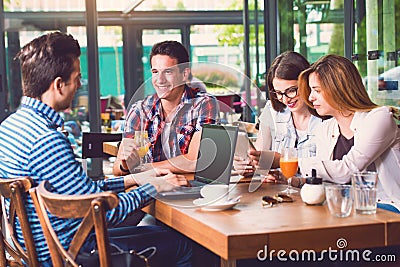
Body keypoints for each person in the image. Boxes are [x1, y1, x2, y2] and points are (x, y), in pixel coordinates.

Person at [0, 32, 192, 266]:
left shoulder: (10, 127)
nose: (80, 84)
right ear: (59, 85)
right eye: (77, 78)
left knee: (157, 232)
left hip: (40, 249)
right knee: (183, 244)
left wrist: (136, 179)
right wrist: (153, 188)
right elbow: (101, 213)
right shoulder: (47, 141)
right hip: (70, 254)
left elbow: (83, 193)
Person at [298, 54, 400, 213]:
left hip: (387, 209)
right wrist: (289, 179)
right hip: (347, 207)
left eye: (317, 90)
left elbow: (347, 170)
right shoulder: (326, 129)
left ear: (338, 88)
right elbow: (323, 178)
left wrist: (296, 162)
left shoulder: (379, 118)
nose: (310, 98)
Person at [113, 40, 219, 175]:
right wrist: (124, 166)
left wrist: (144, 168)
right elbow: (117, 168)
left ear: (184, 74)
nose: (160, 80)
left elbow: (196, 160)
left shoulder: (203, 104)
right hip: (153, 190)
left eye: (168, 72)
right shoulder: (140, 110)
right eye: (155, 72)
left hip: (192, 190)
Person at [239, 51, 323, 184]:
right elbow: (260, 159)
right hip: (278, 194)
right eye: (278, 93)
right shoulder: (272, 111)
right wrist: (248, 166)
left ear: (306, 82)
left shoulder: (325, 116)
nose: (285, 99)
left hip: (313, 195)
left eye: (291, 90)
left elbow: (332, 169)